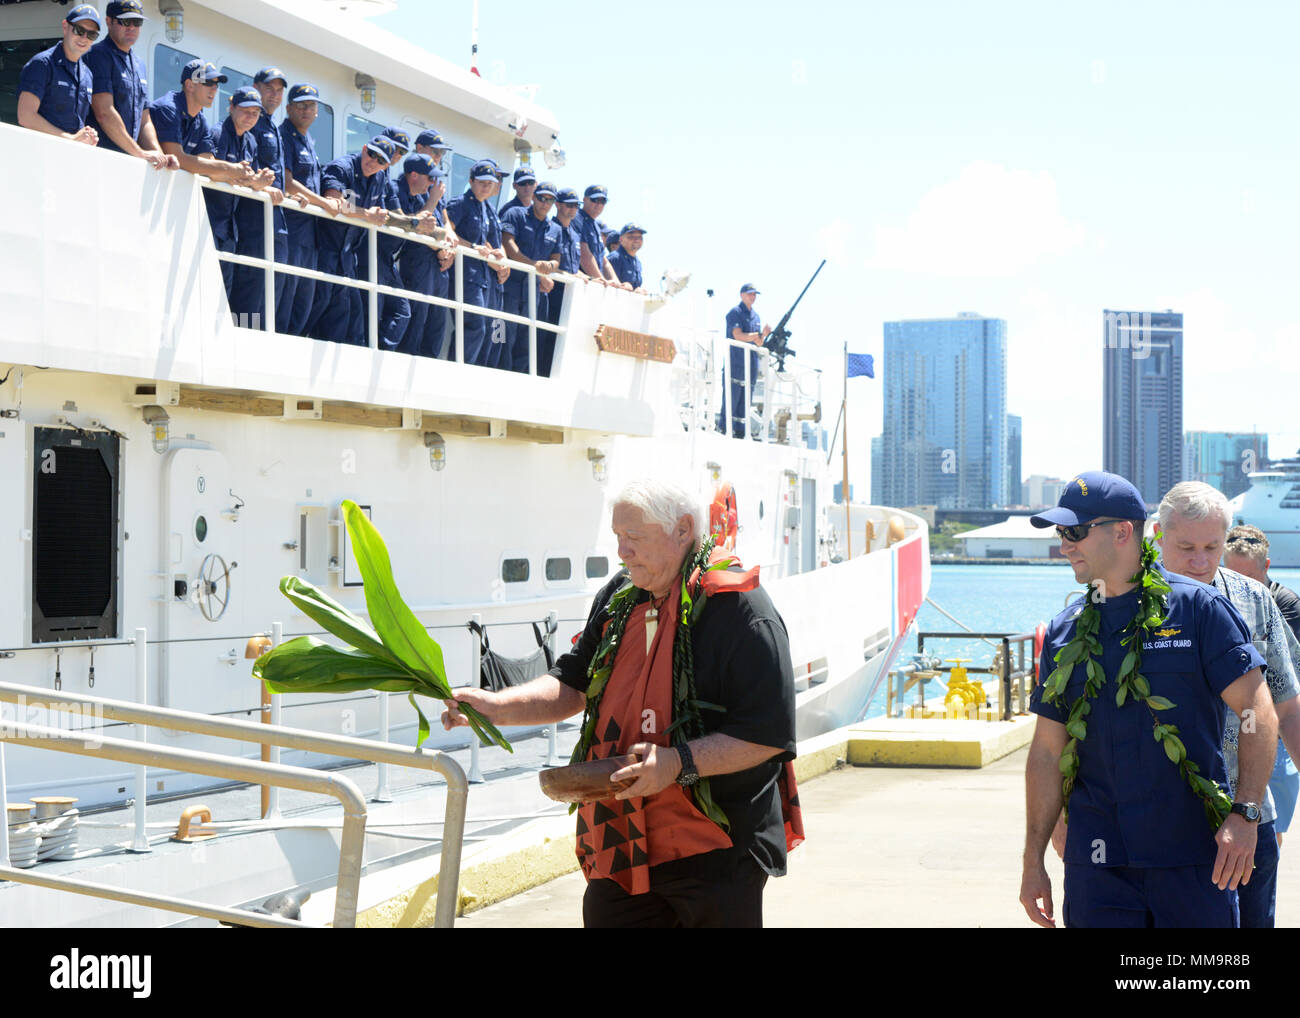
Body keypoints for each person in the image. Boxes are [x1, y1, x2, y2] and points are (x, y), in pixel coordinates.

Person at [441, 478, 798, 927]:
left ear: (683, 529)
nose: (622, 552)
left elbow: (766, 735)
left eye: (634, 538)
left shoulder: (740, 608)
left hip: (718, 848)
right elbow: (572, 683)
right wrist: (497, 707)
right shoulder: (619, 596)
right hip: (622, 843)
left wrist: (675, 763)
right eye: (617, 538)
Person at [1020, 471, 1275, 928]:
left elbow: (1258, 711)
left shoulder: (1198, 610)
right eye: (1061, 533)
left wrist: (1247, 811)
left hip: (1194, 861)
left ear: (1122, 532)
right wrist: (1033, 858)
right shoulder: (1065, 632)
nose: (1065, 545)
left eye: (1075, 531)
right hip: (1098, 865)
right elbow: (1046, 751)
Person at [1153, 482, 1300, 928]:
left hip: (1250, 817)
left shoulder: (1253, 600)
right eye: (1186, 548)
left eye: (1212, 547)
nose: (1200, 562)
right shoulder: (1128, 604)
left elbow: (1287, 705)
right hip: (1157, 825)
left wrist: (1248, 810)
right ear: (1158, 535)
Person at [1224, 523, 1300, 852]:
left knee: (1272, 815)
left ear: (1266, 568)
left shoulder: (1283, 603)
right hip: (1233, 719)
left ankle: (1267, 853)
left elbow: (1285, 672)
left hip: (1276, 716)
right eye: (1229, 575)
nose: (1237, 587)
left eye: (1248, 578)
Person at [207, 87, 285, 322]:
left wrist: (265, 184)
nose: (250, 117)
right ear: (231, 108)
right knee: (209, 284)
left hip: (230, 228)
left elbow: (249, 177)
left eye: (255, 113)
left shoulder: (250, 141)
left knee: (226, 285)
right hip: (209, 220)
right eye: (245, 111)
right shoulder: (217, 134)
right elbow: (212, 171)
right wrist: (251, 180)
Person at [308, 136, 395, 345]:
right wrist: (367, 214)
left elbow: (379, 210)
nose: (373, 162)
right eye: (372, 154)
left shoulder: (379, 178)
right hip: (323, 248)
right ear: (364, 149)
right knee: (316, 305)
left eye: (381, 160)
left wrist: (379, 215)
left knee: (350, 315)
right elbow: (333, 201)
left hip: (346, 255)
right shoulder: (342, 167)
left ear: (386, 166)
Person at [277, 83, 341, 337]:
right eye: (301, 105)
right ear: (289, 108)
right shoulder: (284, 136)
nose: (306, 110)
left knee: (304, 300)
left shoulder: (307, 141)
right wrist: (325, 203)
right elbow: (288, 182)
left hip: (309, 236)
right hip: (290, 231)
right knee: (285, 298)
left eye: (311, 105)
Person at [83, 1, 175, 168]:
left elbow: (144, 119)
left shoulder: (139, 64)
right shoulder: (97, 55)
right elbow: (104, 112)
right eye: (125, 22)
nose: (131, 27)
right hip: (100, 159)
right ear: (108, 21)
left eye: (137, 22)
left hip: (128, 161)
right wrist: (140, 153)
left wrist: (160, 156)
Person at [149, 60, 266, 187]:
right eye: (208, 82)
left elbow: (210, 166)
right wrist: (229, 168)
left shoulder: (201, 120)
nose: (214, 88)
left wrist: (244, 176)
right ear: (190, 85)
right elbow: (177, 157)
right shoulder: (168, 108)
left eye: (216, 84)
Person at [443, 159, 508, 365]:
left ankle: (470, 370)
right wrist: (472, 247)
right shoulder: (460, 204)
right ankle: (458, 368)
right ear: (471, 181)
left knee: (490, 330)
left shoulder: (486, 209)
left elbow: (489, 242)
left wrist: (499, 256)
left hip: (484, 279)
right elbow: (448, 232)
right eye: (481, 182)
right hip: (465, 275)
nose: (486, 187)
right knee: (474, 325)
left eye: (490, 183)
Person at [16, 5, 103, 147]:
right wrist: (69, 139)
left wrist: (86, 137)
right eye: (79, 30)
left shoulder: (88, 75)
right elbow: (25, 116)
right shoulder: (42, 64)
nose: (84, 38)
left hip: (70, 157)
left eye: (91, 34)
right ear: (65, 26)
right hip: (41, 155)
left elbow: (75, 125)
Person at [500, 181, 562, 373]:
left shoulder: (555, 229)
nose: (545, 203)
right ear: (534, 197)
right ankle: (499, 376)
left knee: (527, 340)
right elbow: (508, 245)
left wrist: (549, 267)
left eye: (550, 200)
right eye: (542, 198)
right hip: (510, 287)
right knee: (504, 336)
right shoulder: (516, 214)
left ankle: (517, 381)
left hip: (534, 293)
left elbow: (556, 259)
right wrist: (535, 267)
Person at [722, 284, 769, 438]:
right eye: (750, 294)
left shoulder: (756, 316)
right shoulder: (734, 313)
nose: (753, 297)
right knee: (732, 397)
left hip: (750, 363)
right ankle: (726, 429)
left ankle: (741, 432)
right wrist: (756, 336)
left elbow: (759, 342)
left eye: (755, 294)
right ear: (742, 295)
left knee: (746, 399)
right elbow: (737, 335)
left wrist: (764, 335)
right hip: (736, 362)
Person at [575, 186, 627, 289]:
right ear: (585, 200)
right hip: (580, 284)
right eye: (595, 200)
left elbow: (603, 260)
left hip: (592, 285)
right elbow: (584, 255)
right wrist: (602, 281)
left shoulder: (594, 225)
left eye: (603, 201)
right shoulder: (577, 219)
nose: (599, 205)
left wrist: (617, 282)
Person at [608, 223, 647, 293]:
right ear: (621, 239)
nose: (636, 240)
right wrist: (621, 286)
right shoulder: (615, 258)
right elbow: (607, 284)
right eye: (631, 237)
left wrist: (639, 290)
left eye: (639, 237)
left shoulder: (637, 262)